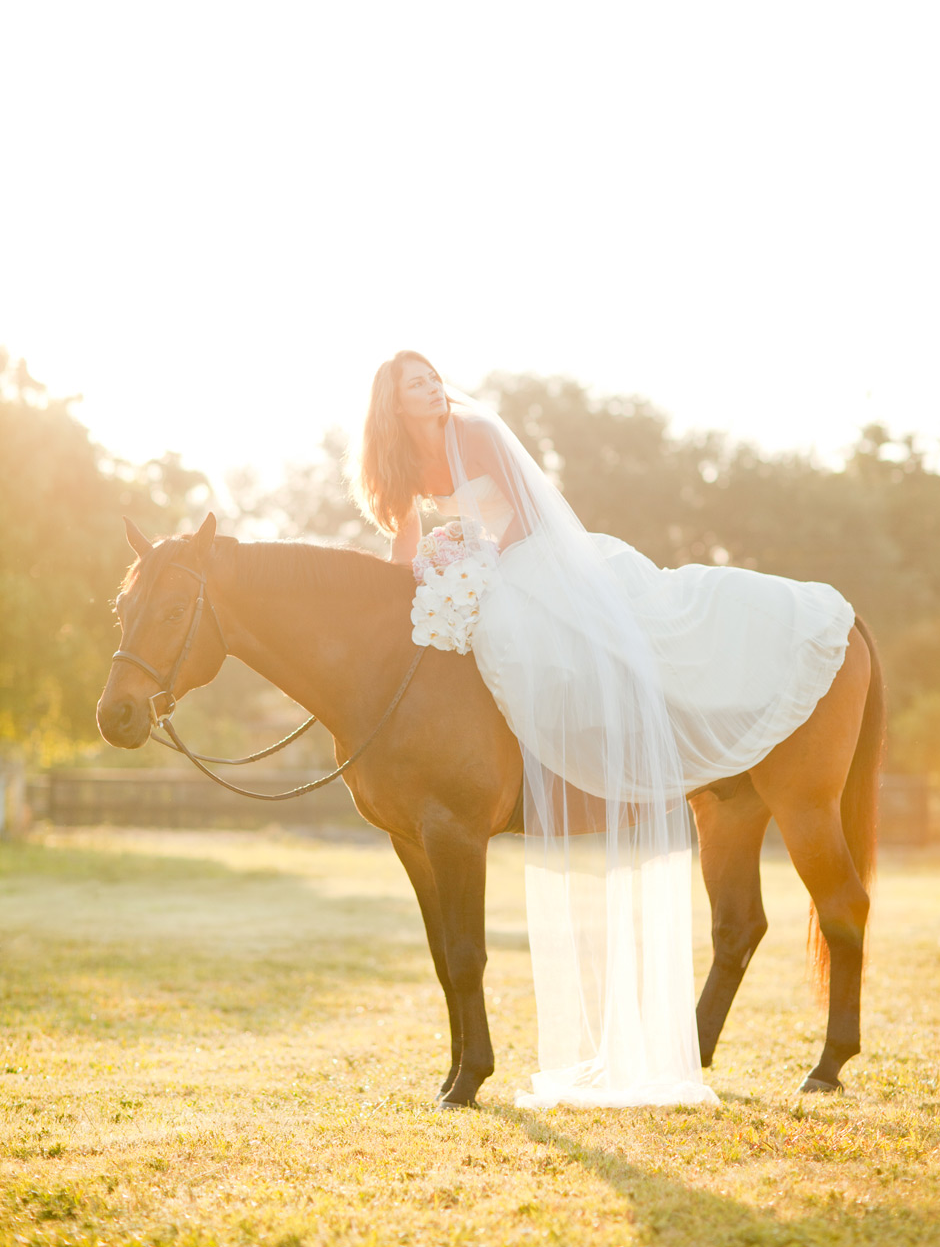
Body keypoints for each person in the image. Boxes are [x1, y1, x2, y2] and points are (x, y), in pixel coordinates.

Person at [354, 350, 855, 1107]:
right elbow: (401, 553)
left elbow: (524, 513)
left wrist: (466, 556)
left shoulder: (475, 431)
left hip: (537, 557)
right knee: (469, 642)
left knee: (531, 637)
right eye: (410, 383)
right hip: (490, 565)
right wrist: (413, 588)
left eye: (431, 377)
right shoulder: (396, 468)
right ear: (389, 403)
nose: (428, 388)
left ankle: (602, 739)